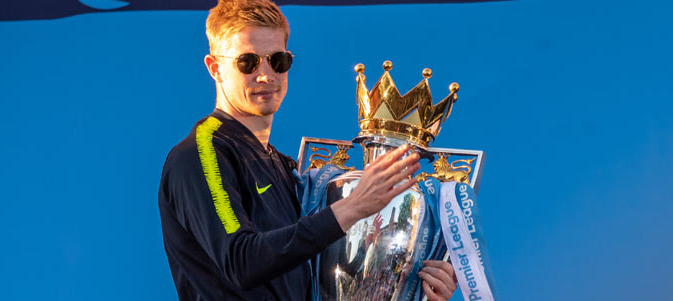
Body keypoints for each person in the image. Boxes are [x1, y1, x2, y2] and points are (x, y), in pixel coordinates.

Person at [158, 0, 457, 300]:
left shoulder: (282, 166)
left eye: (277, 61)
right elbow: (241, 261)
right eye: (247, 62)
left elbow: (318, 274)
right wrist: (353, 206)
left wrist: (414, 285)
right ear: (215, 68)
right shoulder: (201, 153)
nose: (265, 75)